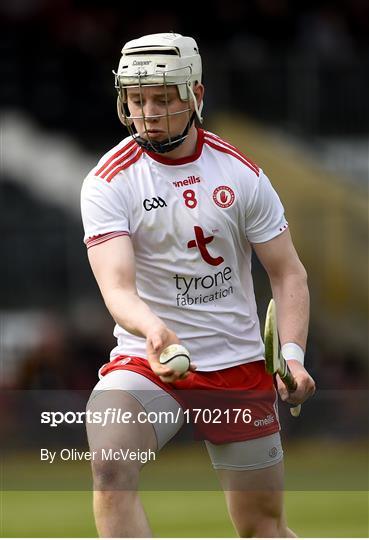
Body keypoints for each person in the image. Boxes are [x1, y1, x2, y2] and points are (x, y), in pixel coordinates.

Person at [80, 32, 316, 538]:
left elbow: (288, 271)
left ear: (196, 96)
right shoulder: (108, 181)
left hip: (237, 364)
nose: (149, 111)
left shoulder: (241, 173)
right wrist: (154, 329)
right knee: (109, 467)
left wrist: (292, 356)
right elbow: (117, 287)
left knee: (262, 529)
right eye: (138, 99)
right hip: (150, 362)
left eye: (163, 98)